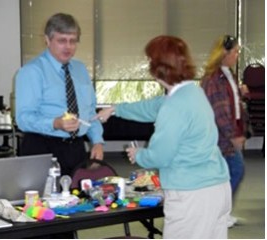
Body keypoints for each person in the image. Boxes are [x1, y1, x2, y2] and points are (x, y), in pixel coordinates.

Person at [95, 35, 231, 239]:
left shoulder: (174, 107)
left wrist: (139, 154)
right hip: (217, 189)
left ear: (159, 68)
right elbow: (154, 106)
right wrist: (116, 109)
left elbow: (161, 156)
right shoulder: (193, 94)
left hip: (191, 196)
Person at [15, 13, 104, 177]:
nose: (68, 47)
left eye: (73, 41)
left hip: (76, 148)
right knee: (43, 202)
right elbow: (23, 119)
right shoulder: (31, 72)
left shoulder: (80, 69)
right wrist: (55, 123)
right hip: (42, 148)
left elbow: (90, 112)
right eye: (62, 41)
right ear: (47, 40)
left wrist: (97, 141)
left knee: (77, 199)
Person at [200, 35, 248, 227]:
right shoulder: (213, 78)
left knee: (227, 173)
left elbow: (232, 103)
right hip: (220, 137)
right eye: (235, 51)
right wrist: (233, 136)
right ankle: (218, 214)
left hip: (229, 133)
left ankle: (222, 213)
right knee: (235, 170)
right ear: (225, 52)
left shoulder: (228, 74)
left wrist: (240, 91)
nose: (237, 55)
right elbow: (219, 112)